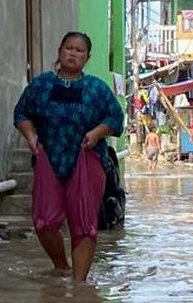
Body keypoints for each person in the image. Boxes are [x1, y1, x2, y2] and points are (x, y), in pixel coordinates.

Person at [13, 32, 124, 281]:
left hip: (88, 158)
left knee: (84, 224)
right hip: (49, 157)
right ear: (60, 51)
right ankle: (62, 266)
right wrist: (30, 135)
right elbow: (21, 112)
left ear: (87, 57)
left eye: (79, 50)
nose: (73, 54)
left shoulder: (97, 89)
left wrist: (97, 133)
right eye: (69, 48)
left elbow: (116, 118)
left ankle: (79, 285)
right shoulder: (41, 85)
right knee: (43, 222)